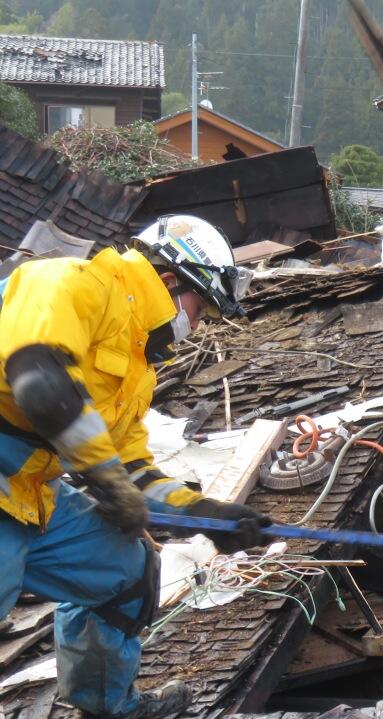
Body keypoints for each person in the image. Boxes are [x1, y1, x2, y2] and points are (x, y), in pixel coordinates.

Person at [0, 215, 272, 718]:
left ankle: (107, 707)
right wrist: (105, 478)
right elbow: (40, 381)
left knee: (123, 574)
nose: (197, 324)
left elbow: (133, 472)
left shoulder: (136, 369)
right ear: (170, 282)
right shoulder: (68, 281)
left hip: (27, 489)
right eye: (200, 309)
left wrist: (210, 514)